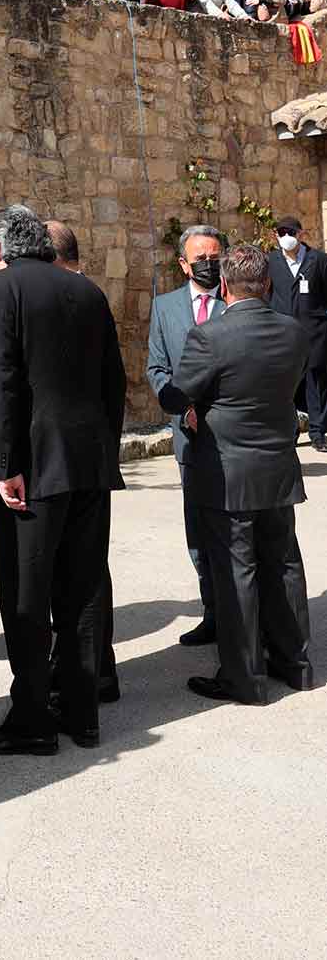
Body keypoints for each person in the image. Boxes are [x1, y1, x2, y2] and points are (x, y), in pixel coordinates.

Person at [0, 206, 126, 754]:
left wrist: (3, 466)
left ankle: (33, 718)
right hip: (89, 464)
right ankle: (83, 714)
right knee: (82, 591)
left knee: (26, 595)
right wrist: (105, 449)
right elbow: (115, 382)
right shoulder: (87, 293)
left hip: (32, 470)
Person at [175, 244, 312, 704]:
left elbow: (177, 394)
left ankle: (245, 676)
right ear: (268, 284)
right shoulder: (294, 332)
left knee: (238, 572)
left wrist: (191, 408)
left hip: (228, 470)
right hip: (277, 466)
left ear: (225, 285)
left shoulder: (210, 336)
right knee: (285, 566)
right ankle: (297, 664)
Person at [45, 220, 120, 704]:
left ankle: (75, 677)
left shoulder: (52, 300)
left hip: (57, 463)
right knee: (92, 568)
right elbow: (115, 381)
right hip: (95, 454)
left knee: (66, 572)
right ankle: (100, 673)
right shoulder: (95, 296)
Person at [147, 224, 224, 644]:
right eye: (201, 260)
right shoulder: (165, 307)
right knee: (198, 531)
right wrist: (182, 406)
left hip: (232, 437)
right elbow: (156, 369)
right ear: (183, 264)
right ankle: (212, 613)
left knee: (235, 530)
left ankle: (241, 615)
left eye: (215, 257)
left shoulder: (235, 302)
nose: (209, 265)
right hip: (189, 437)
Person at [267, 218, 327, 452]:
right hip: (282, 335)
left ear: (301, 234)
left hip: (314, 334)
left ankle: (318, 432)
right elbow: (267, 292)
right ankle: (289, 432)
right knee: (286, 386)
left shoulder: (318, 260)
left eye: (290, 231)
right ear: (276, 235)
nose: (286, 236)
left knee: (317, 384)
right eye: (281, 232)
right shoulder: (271, 261)